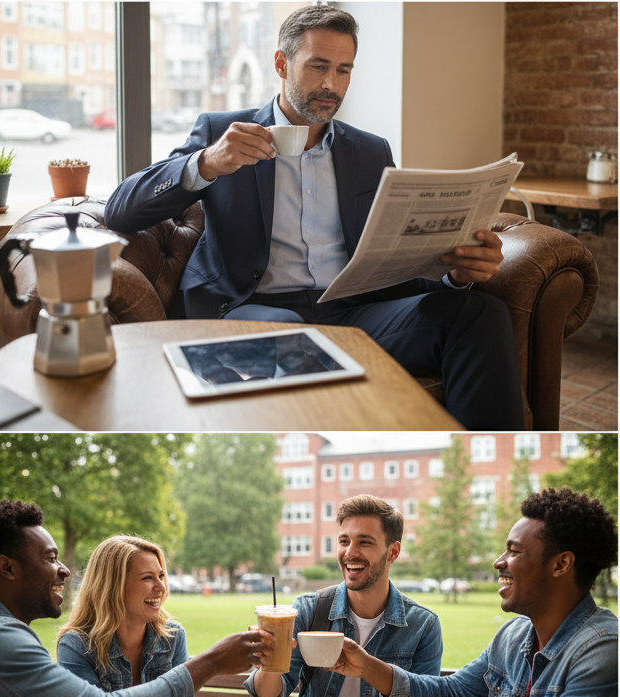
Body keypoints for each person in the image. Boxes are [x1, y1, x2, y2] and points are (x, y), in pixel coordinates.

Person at [103, 5, 522, 429]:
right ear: (282, 63)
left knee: (478, 312)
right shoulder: (222, 132)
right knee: (292, 337)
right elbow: (121, 208)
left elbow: (389, 254)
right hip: (254, 307)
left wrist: (455, 272)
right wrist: (207, 162)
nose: (331, 85)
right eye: (318, 66)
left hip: (352, 312)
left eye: (344, 70)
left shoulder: (370, 151)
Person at [327, 488, 617, 697]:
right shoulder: (513, 637)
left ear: (561, 564)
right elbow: (452, 696)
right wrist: (369, 668)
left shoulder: (602, 651)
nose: (499, 562)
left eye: (514, 551)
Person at [0, 500, 276, 697]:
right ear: (6, 568)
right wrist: (211, 662)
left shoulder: (9, 635)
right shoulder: (4, 640)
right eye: (50, 558)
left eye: (161, 576)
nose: (64, 570)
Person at [244, 495, 442, 697]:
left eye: (365, 542)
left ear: (393, 552)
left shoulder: (422, 626)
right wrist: (268, 661)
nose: (350, 552)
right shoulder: (309, 609)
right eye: (344, 541)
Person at [55, 536, 189, 697]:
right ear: (113, 586)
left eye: (161, 575)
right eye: (147, 578)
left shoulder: (172, 637)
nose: (161, 587)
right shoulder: (76, 645)